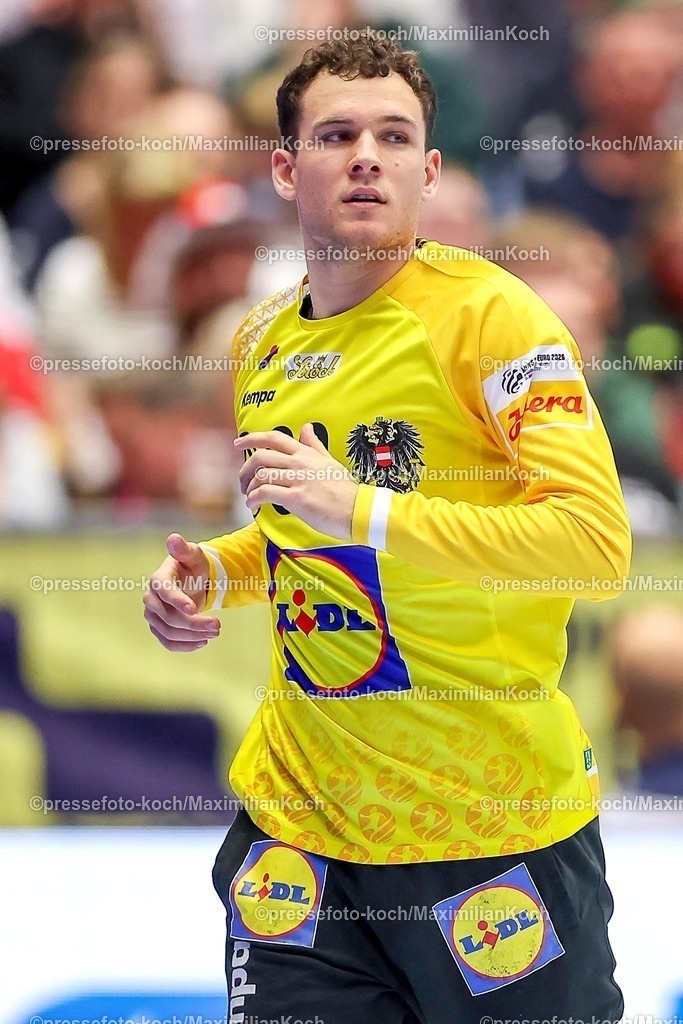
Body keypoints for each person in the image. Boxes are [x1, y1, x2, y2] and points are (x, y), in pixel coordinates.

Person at [143, 34, 631, 1024]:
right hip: (301, 829)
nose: (366, 154)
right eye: (335, 133)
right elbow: (303, 540)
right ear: (284, 167)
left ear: (428, 168)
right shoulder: (261, 339)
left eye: (392, 135)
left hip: (486, 828)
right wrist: (216, 576)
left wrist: (356, 504)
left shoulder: (496, 321)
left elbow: (590, 540)